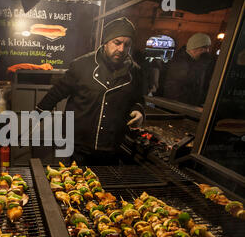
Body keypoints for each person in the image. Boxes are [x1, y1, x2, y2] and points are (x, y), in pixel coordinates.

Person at [35, 17, 145, 165]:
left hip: (112, 146)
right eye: (117, 43)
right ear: (106, 42)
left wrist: (139, 111)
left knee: (104, 186)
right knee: (79, 184)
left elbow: (138, 99)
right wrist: (34, 117)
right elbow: (57, 92)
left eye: (127, 45)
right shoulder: (82, 65)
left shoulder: (135, 72)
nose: (121, 49)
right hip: (80, 144)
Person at [162, 33, 212, 106]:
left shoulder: (191, 61)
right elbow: (188, 80)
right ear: (196, 49)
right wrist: (202, 63)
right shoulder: (180, 61)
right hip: (178, 104)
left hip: (185, 103)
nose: (208, 51)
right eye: (205, 49)